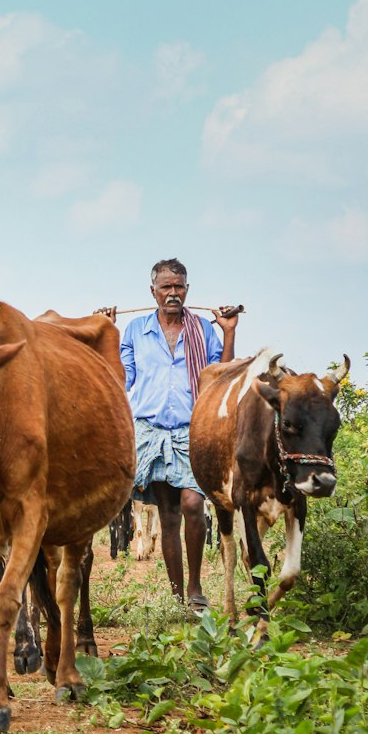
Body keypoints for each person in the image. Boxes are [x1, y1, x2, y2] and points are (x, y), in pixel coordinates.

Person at [101, 260, 239, 607]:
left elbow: (221, 376)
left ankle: (195, 588)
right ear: (153, 292)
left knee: (193, 504)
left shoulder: (202, 330)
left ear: (187, 290)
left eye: (178, 287)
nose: (172, 293)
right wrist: (107, 333)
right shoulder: (135, 331)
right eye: (166, 287)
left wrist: (228, 332)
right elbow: (121, 379)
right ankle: (179, 595)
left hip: (191, 431)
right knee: (168, 514)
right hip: (149, 433)